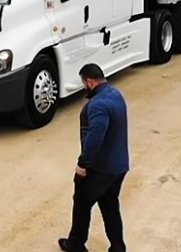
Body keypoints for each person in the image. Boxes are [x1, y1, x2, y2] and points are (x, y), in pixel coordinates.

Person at [58, 64, 130, 252]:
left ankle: (75, 244)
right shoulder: (116, 95)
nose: (84, 88)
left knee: (82, 204)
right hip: (119, 167)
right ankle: (118, 247)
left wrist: (83, 164)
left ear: (89, 81)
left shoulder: (97, 105)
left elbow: (95, 136)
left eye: (84, 83)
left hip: (100, 169)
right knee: (110, 207)